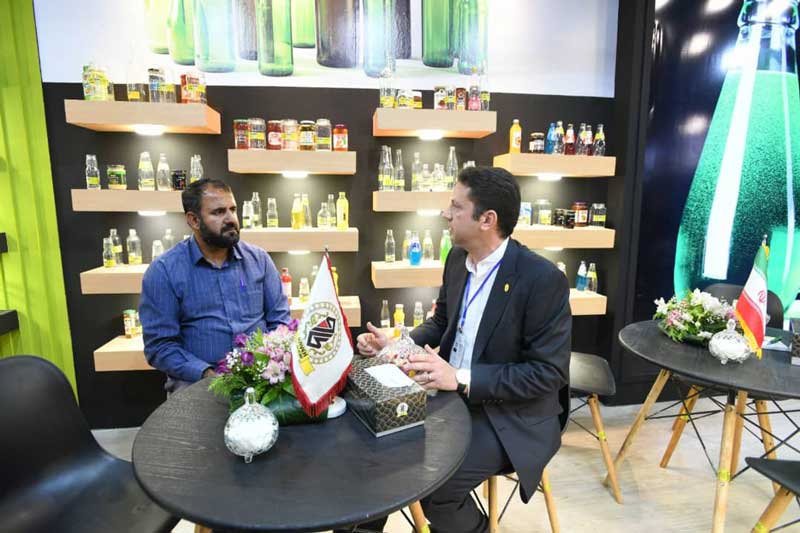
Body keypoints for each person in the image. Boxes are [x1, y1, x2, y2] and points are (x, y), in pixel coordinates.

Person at [355, 167, 571, 533]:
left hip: (510, 415)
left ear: (487, 220)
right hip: (451, 398)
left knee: (435, 488)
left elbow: (547, 374)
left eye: (456, 207)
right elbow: (442, 322)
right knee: (376, 452)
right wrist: (398, 343)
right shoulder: (457, 259)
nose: (446, 214)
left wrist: (460, 377)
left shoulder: (541, 280)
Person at [139, 178, 291, 394]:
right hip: (197, 381)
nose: (231, 219)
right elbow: (160, 346)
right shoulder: (164, 271)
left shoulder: (259, 260)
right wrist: (208, 374)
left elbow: (280, 322)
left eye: (233, 209)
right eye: (218, 212)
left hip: (262, 376)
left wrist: (271, 362)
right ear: (194, 220)